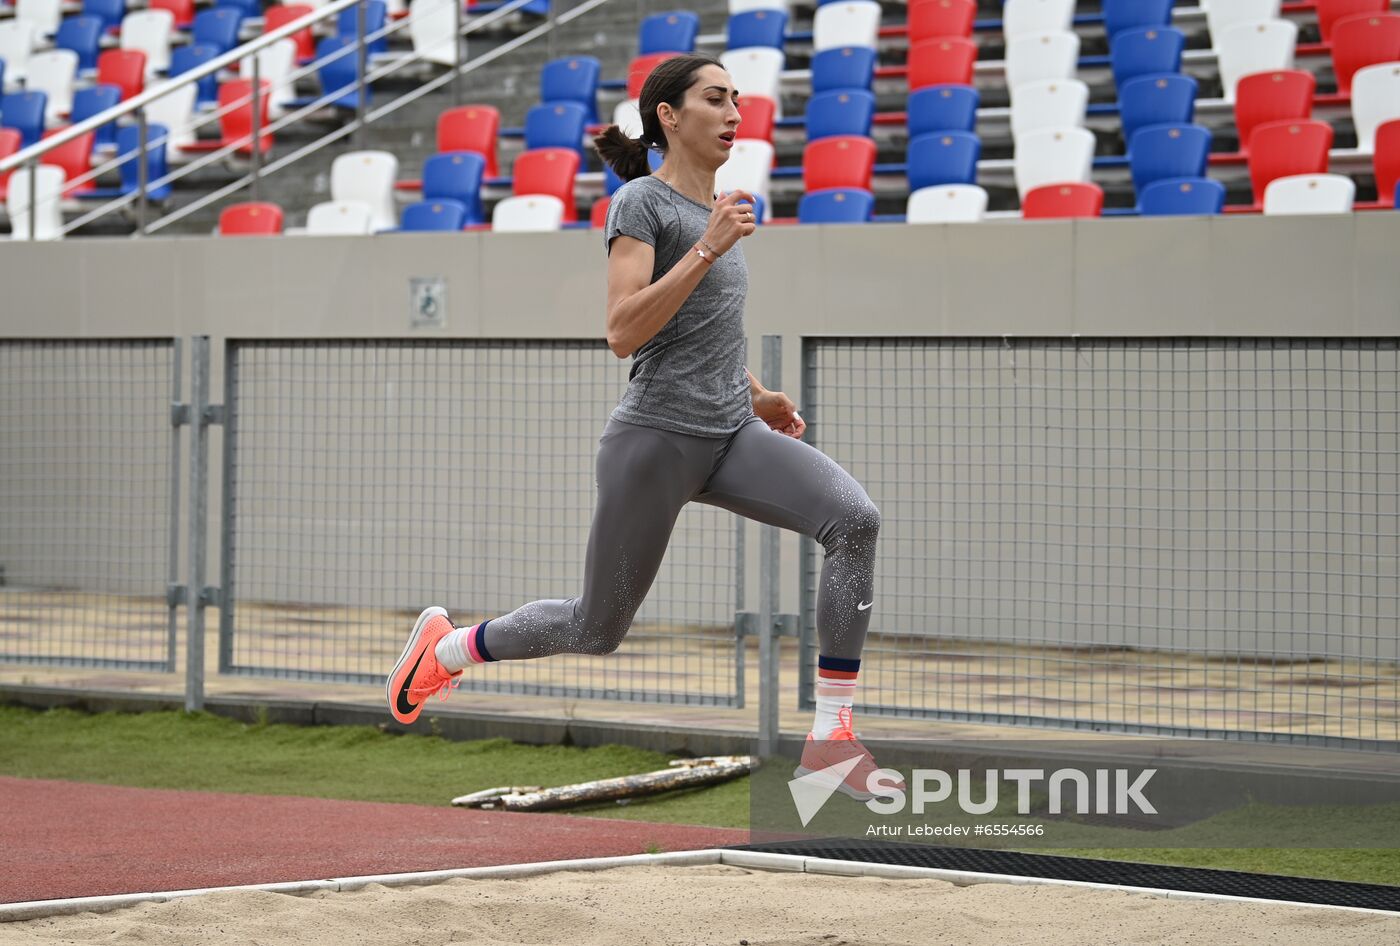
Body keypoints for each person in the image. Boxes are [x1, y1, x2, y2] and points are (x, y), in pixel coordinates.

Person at [387, 54, 897, 798]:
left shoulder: (715, 209)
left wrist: (757, 396)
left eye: (738, 100)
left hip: (729, 436)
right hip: (655, 441)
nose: (734, 114)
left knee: (854, 520)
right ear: (669, 114)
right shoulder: (641, 205)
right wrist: (708, 246)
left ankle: (833, 738)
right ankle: (450, 649)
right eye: (716, 99)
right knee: (596, 629)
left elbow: (700, 329)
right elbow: (624, 330)